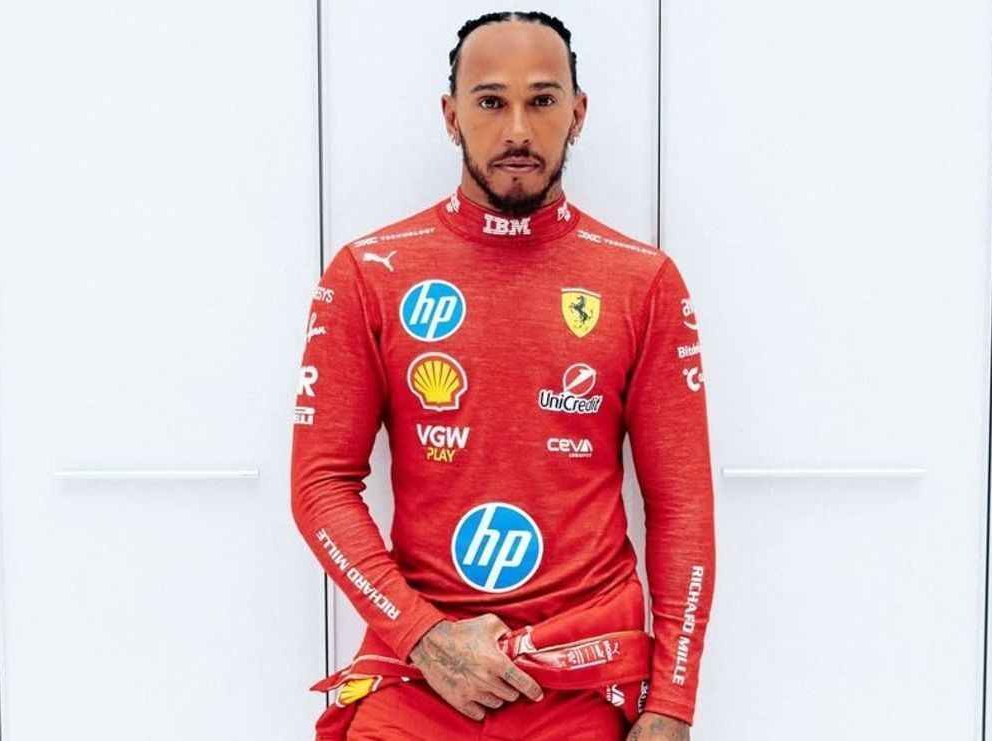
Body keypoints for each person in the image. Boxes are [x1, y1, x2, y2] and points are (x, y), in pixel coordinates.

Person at [291, 11, 715, 740]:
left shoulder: (643, 281)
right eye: (491, 101)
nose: (518, 128)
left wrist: (672, 702)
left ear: (577, 113)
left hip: (584, 677)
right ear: (451, 114)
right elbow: (320, 485)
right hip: (419, 671)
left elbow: (681, 506)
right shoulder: (370, 272)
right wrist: (424, 634)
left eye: (542, 99)